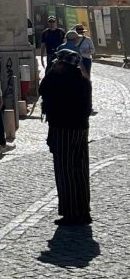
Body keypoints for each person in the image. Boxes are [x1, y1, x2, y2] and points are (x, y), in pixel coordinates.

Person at [39, 46, 92, 226]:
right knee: (81, 170)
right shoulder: (84, 81)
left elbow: (42, 88)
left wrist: (51, 71)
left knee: (65, 171)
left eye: (57, 62)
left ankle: (70, 213)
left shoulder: (58, 80)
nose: (55, 64)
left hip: (62, 129)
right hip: (81, 129)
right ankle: (83, 211)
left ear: (62, 65)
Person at [75, 24, 98, 114]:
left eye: (81, 31)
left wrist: (88, 51)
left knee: (86, 80)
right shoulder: (74, 40)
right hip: (76, 61)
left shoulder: (88, 40)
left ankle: (87, 102)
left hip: (86, 61)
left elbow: (93, 50)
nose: (80, 33)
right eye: (78, 32)